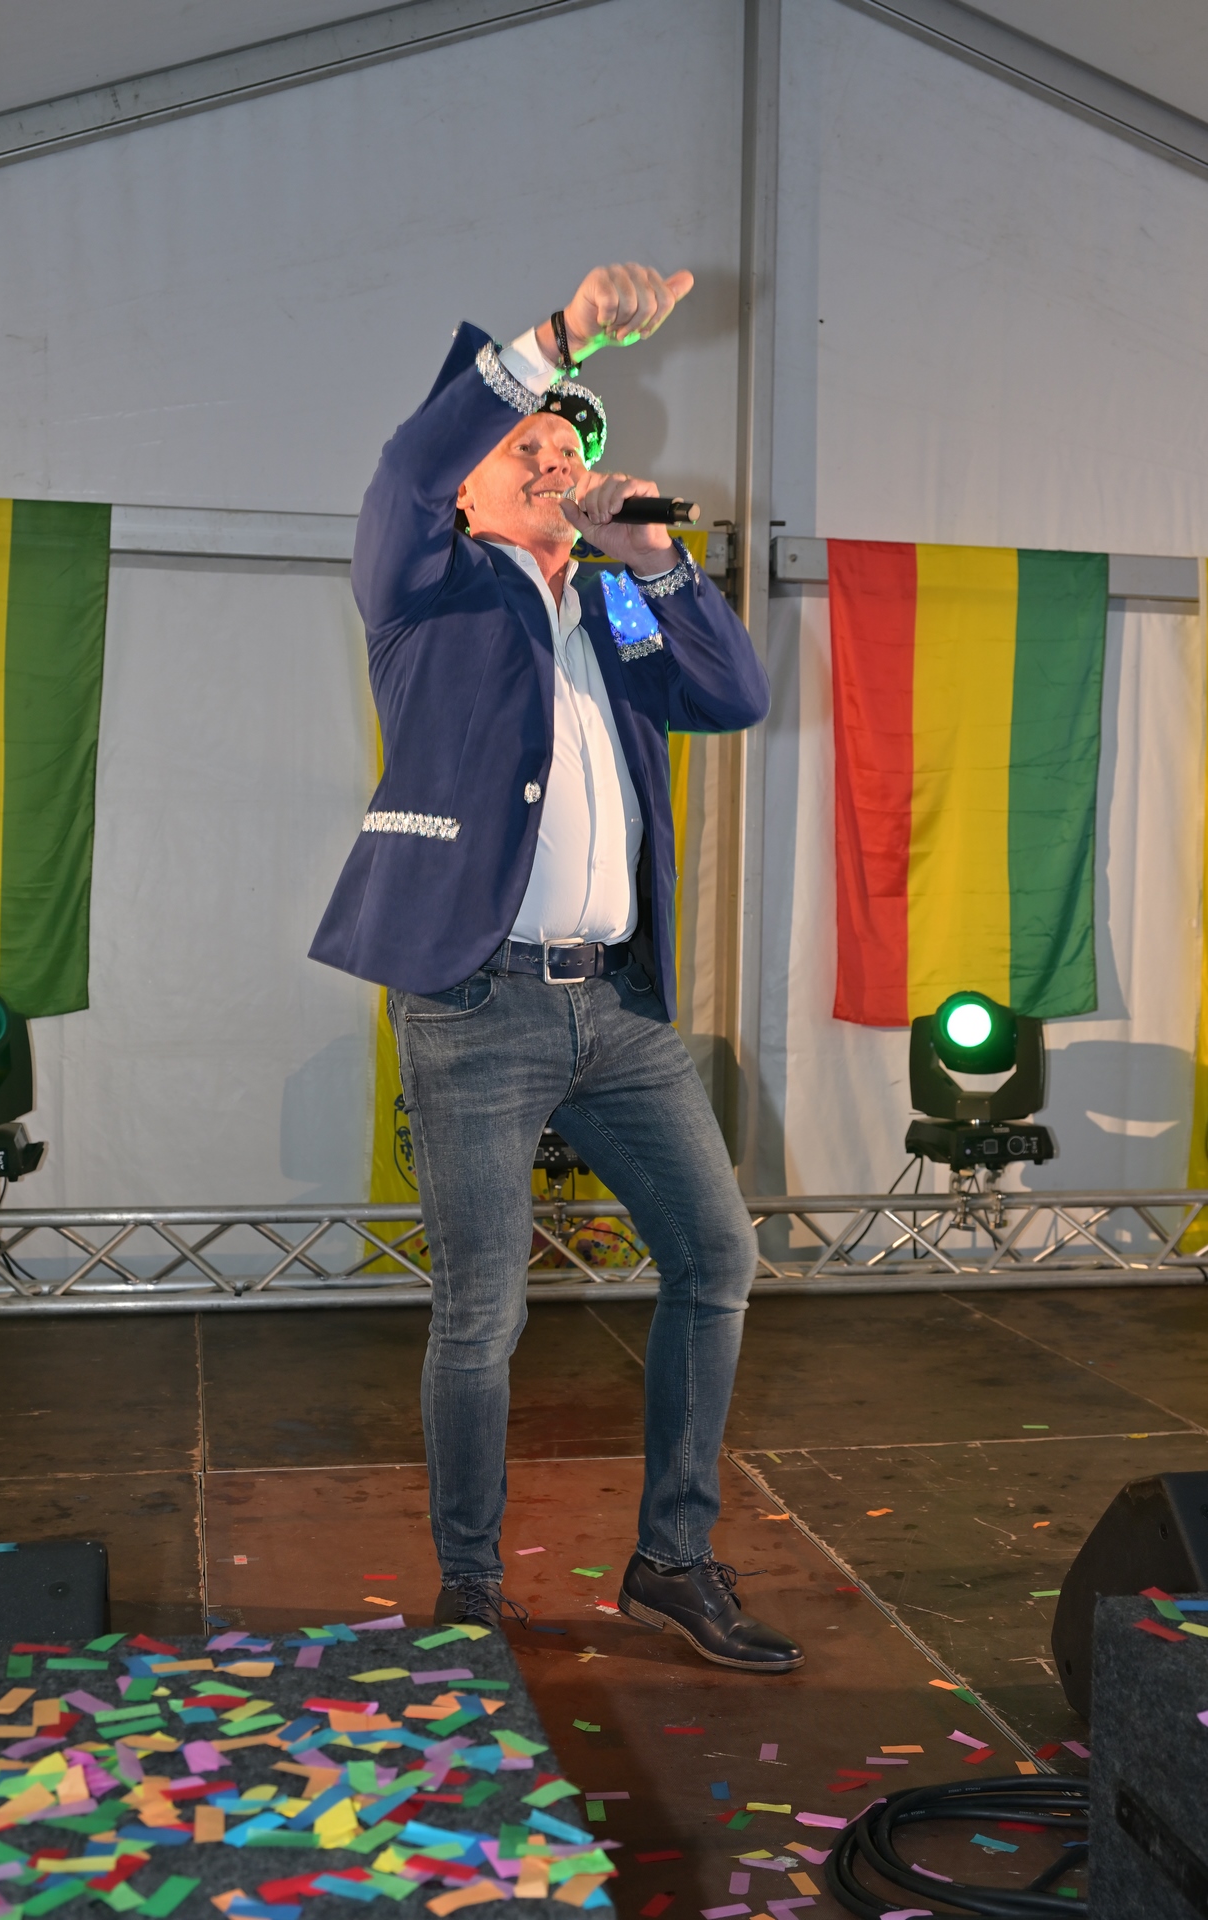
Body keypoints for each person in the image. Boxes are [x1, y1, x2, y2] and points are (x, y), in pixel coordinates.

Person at [311, 262, 803, 1673]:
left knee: (715, 1258)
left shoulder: (614, 611)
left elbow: (733, 696)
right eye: (521, 446)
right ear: (468, 493)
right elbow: (412, 462)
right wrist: (562, 337)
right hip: (476, 1000)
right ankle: (470, 1585)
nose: (552, 461)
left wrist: (653, 560)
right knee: (483, 1310)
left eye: (567, 449)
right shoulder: (424, 585)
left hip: (617, 1006)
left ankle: (672, 1560)